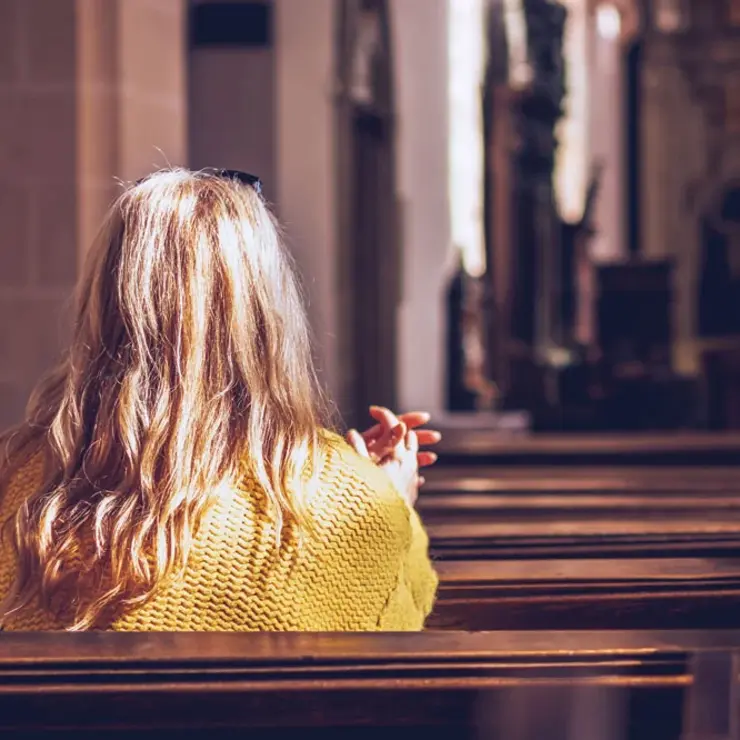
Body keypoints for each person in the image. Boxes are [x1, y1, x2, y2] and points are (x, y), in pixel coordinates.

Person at [0, 168, 439, 632]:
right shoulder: (355, 503)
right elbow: (392, 642)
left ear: (107, 306)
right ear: (266, 315)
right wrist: (388, 498)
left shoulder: (17, 478)